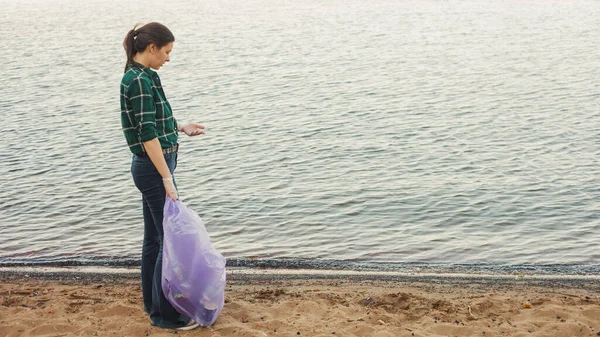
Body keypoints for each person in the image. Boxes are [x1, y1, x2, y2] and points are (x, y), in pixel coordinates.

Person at [120, 22, 205, 331]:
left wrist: (179, 128)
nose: (168, 58)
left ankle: (152, 303)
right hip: (154, 168)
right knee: (168, 240)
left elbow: (153, 123)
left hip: (154, 166)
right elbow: (146, 135)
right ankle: (165, 316)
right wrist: (167, 178)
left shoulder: (142, 76)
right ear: (152, 48)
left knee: (154, 238)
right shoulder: (138, 81)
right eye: (167, 52)